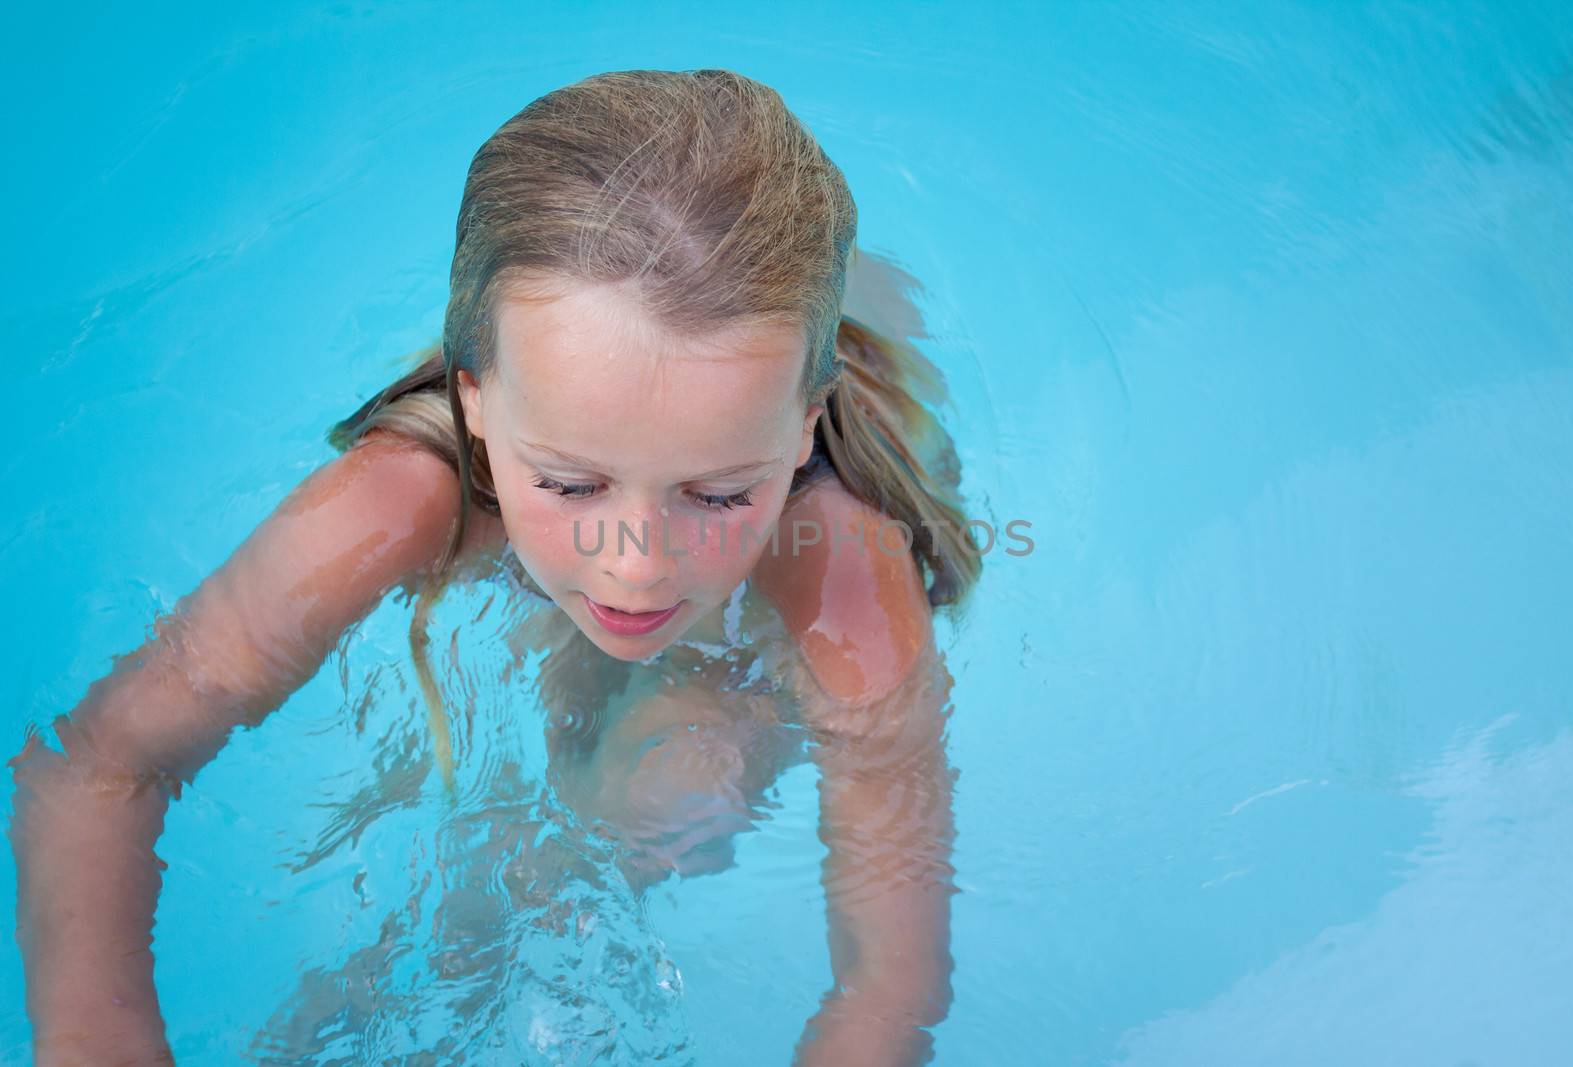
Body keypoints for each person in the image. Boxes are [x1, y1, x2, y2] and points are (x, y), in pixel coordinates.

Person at [8, 68, 981, 1066]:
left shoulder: (843, 578)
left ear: (804, 428)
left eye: (720, 492)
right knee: (497, 875)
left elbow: (888, 978)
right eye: (568, 482)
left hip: (742, 614)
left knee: (671, 792)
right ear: (474, 401)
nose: (636, 565)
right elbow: (96, 763)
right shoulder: (398, 497)